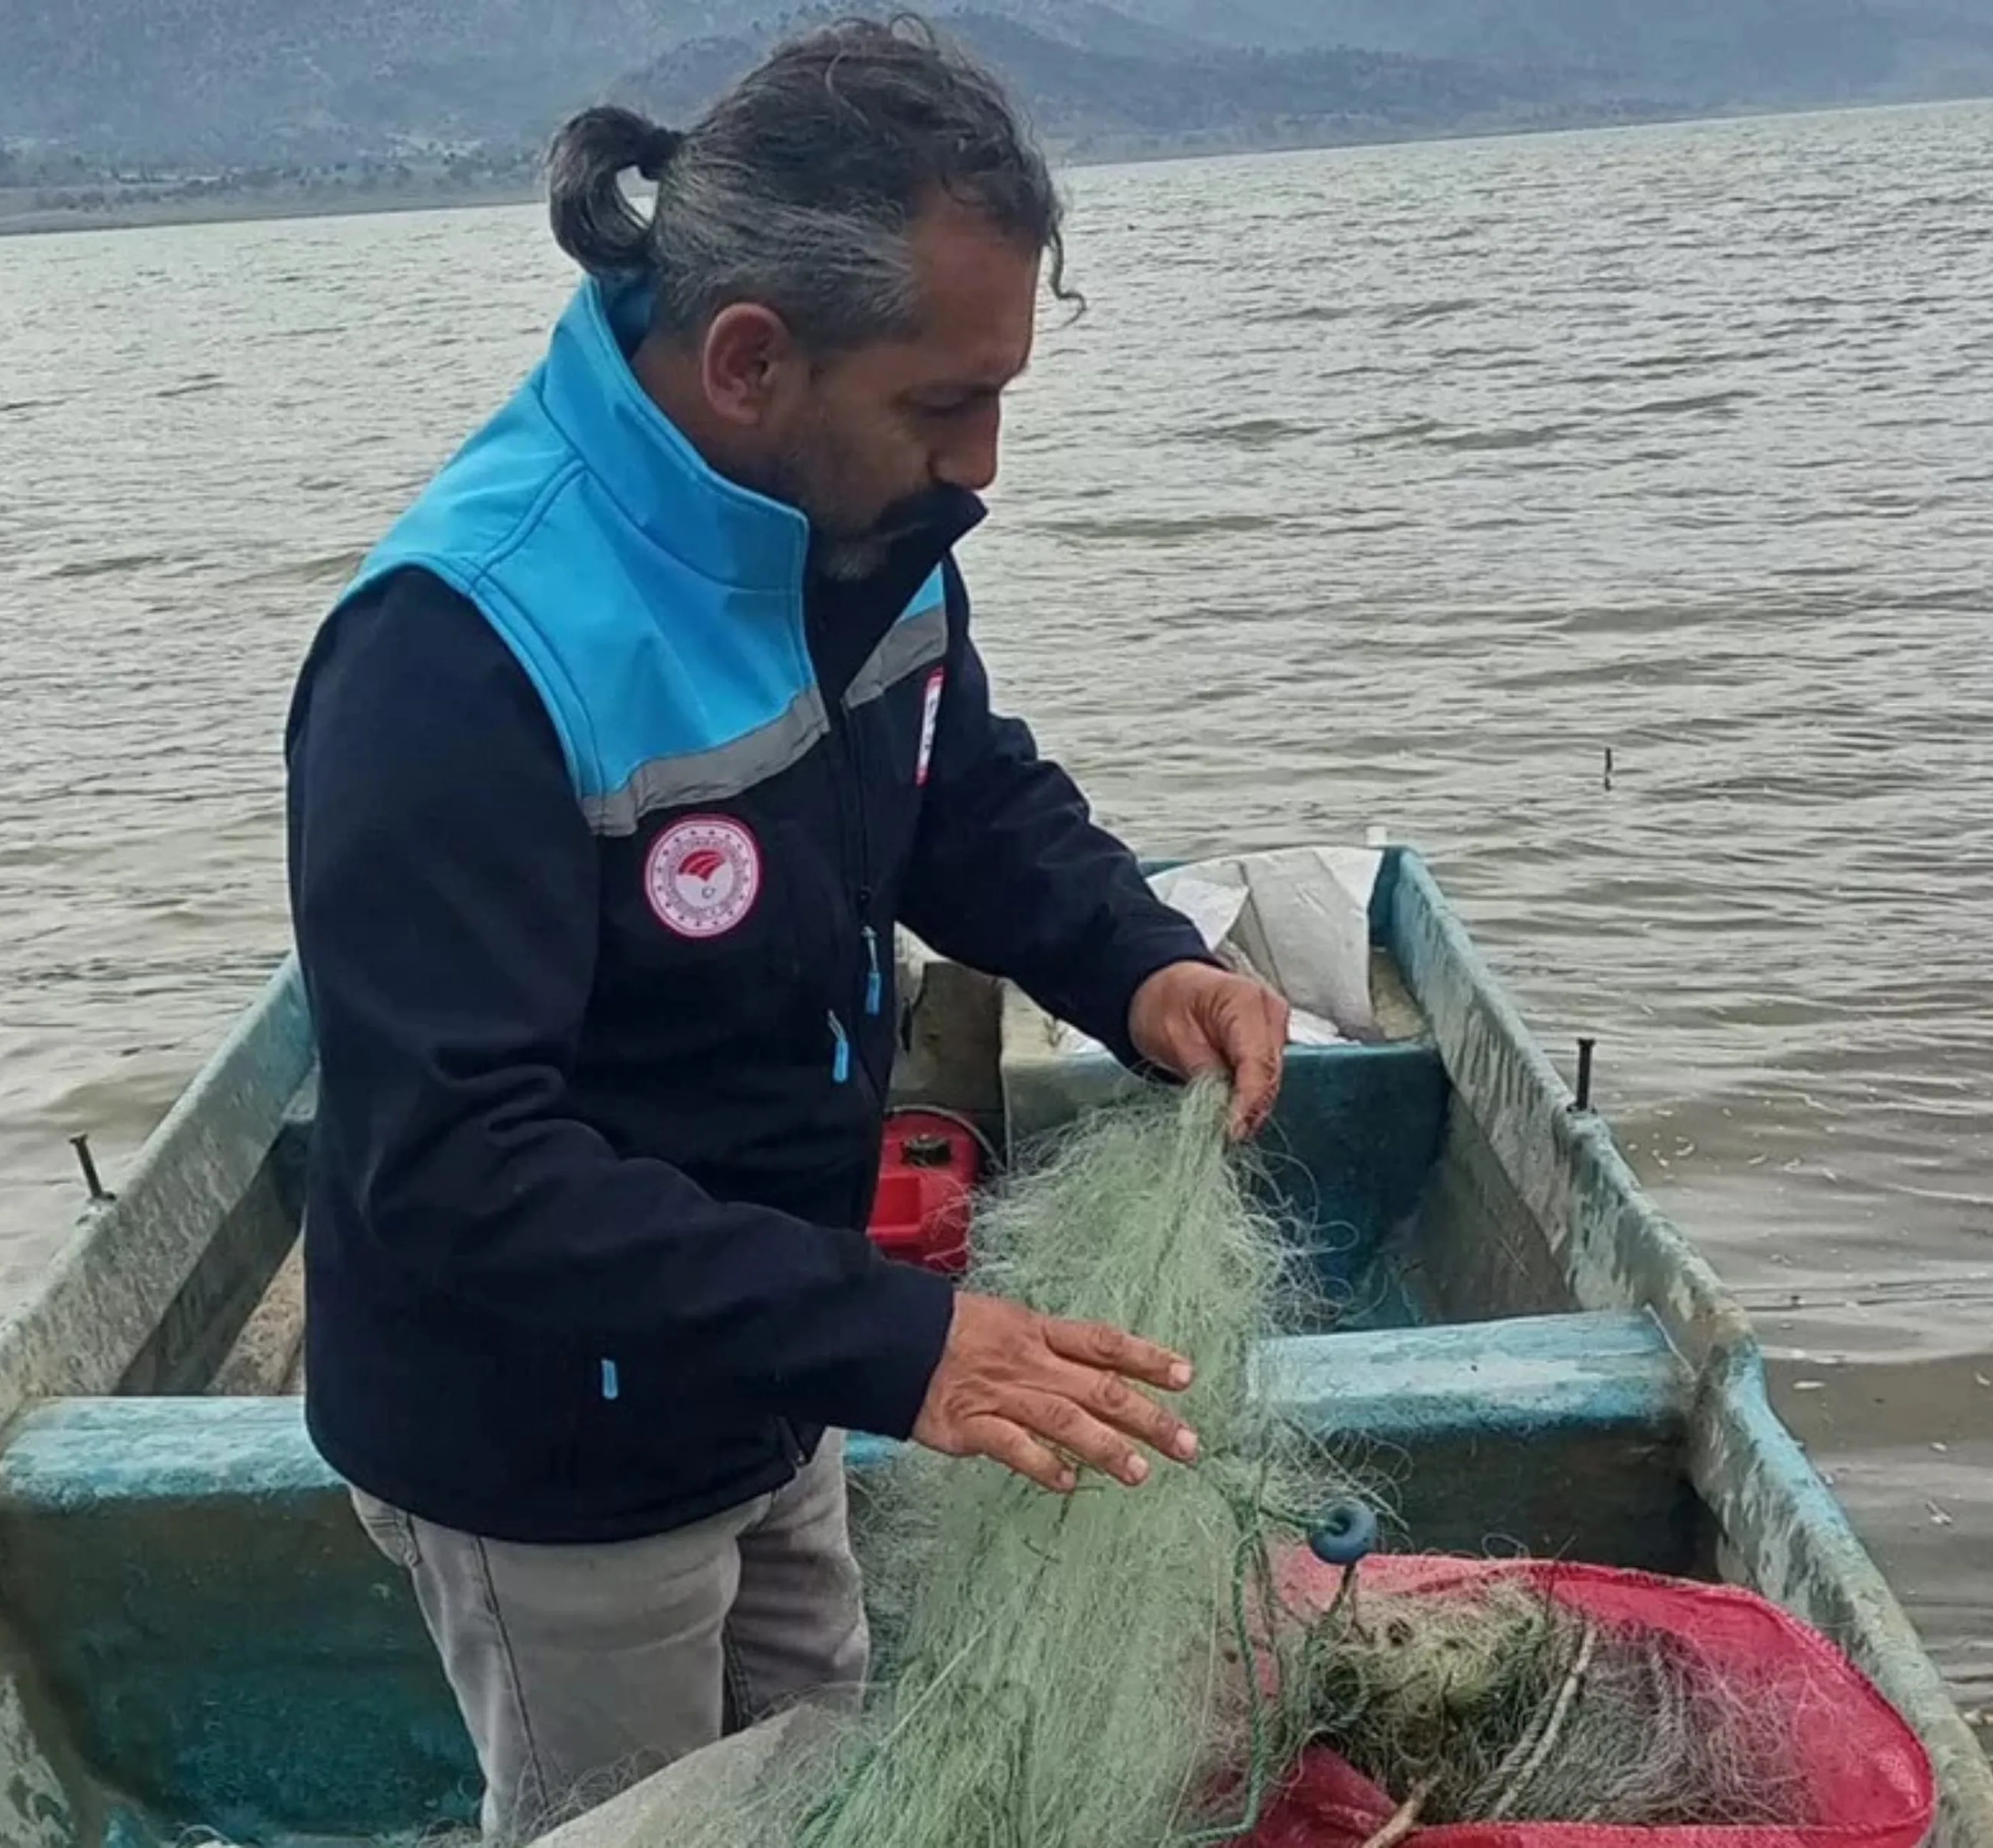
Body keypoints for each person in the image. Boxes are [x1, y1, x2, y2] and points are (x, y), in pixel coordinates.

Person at [279, 16, 1294, 1841]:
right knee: (641, 1818)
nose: (982, 463)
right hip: (550, 1448)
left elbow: (960, 797)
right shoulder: (459, 650)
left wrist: (1145, 963)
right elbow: (455, 1169)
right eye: (942, 404)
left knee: (827, 1757)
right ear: (752, 358)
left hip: (780, 1369)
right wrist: (908, 1345)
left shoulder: (853, 528)